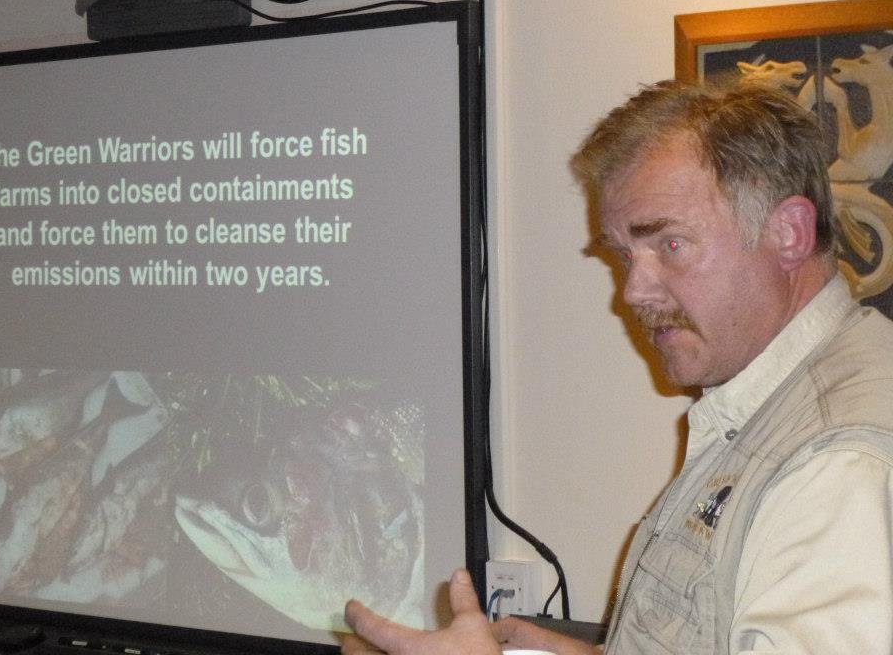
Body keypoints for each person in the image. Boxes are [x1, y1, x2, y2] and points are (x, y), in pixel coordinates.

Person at [342, 79, 893, 654]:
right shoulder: (772, 402)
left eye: (670, 245)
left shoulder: (840, 463)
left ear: (789, 233)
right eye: (626, 255)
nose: (633, 291)